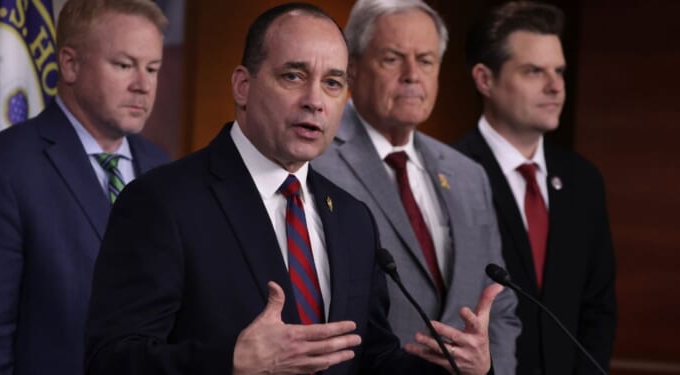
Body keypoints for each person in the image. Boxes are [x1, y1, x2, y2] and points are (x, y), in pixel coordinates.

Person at [85, 3, 503, 375]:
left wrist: (457, 369)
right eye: (293, 75)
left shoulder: (353, 218)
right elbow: (110, 359)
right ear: (243, 86)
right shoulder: (162, 202)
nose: (314, 100)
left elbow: (372, 358)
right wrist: (231, 360)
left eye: (333, 83)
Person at [0, 0, 170, 374]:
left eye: (153, 68)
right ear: (70, 64)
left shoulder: (164, 169)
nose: (143, 85)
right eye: (124, 65)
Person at [311, 0, 520, 373]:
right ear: (352, 69)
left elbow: (500, 308)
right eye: (393, 59)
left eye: (425, 61)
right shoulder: (314, 161)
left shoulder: (468, 175)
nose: (412, 75)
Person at [455, 2, 617, 374]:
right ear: (485, 79)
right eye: (534, 71)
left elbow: (598, 307)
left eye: (559, 71)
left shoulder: (583, 179)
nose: (555, 86)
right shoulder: (447, 174)